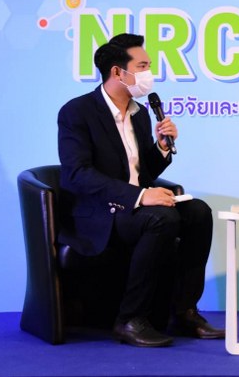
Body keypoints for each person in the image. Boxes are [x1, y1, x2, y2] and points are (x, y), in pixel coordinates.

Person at [57, 33, 224, 347]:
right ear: (117, 72)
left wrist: (161, 148)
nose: (150, 73)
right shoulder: (77, 112)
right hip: (102, 212)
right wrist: (140, 196)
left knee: (198, 212)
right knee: (161, 218)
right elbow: (78, 174)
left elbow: (142, 173)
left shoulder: (140, 113)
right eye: (143, 66)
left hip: (135, 209)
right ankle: (130, 319)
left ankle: (185, 311)